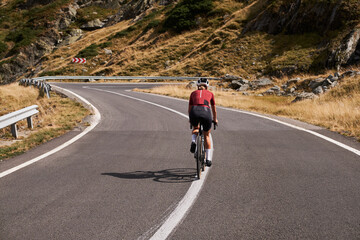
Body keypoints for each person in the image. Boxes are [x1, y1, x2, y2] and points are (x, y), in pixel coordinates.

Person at [188, 78, 218, 167]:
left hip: (194, 111)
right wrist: (215, 119)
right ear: (207, 86)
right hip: (206, 111)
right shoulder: (210, 94)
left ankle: (194, 141)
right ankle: (208, 159)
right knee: (207, 135)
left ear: (197, 85)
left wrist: (190, 118)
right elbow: (214, 109)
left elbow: (189, 108)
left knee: (196, 128)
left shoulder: (193, 93)